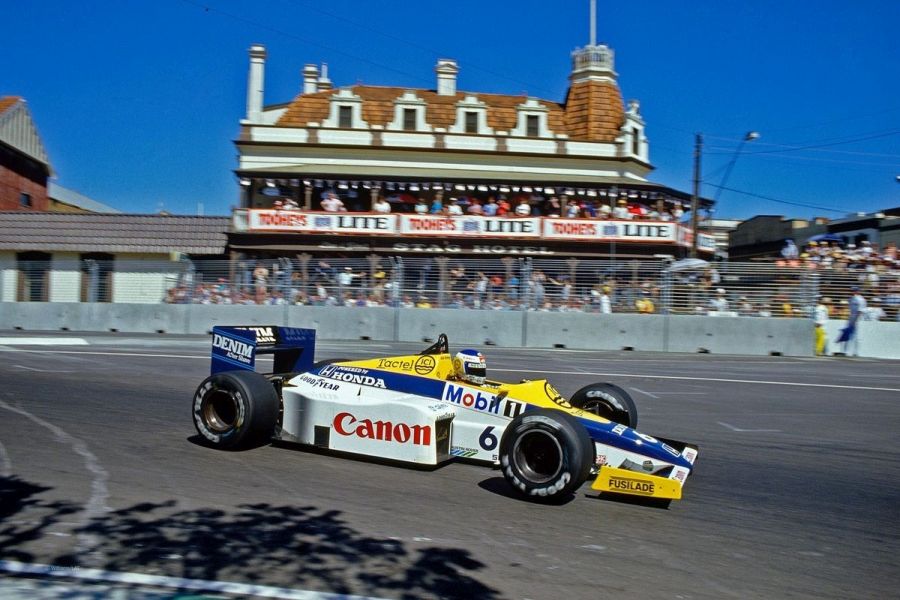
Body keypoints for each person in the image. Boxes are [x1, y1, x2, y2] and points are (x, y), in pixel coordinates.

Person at [837, 287, 867, 356]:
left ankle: (856, 352)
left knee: (857, 336)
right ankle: (845, 351)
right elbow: (851, 310)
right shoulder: (851, 299)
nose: (853, 292)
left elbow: (860, 311)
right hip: (851, 318)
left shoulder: (861, 300)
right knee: (848, 334)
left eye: (854, 291)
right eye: (852, 291)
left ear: (858, 291)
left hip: (858, 319)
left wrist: (856, 320)